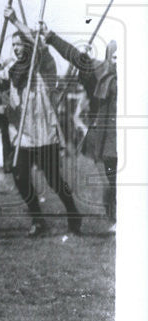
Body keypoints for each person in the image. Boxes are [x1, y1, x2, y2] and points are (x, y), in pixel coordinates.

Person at [0, 8, 82, 236]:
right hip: (21, 133)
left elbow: (39, 45)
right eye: (14, 45)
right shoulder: (11, 69)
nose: (17, 48)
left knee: (53, 180)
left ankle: (73, 214)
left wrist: (14, 20)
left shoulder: (44, 65)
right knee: (20, 176)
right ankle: (38, 220)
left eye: (21, 44)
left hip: (43, 131)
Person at [42, 23, 117, 232]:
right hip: (106, 139)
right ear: (108, 58)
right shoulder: (100, 73)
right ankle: (115, 218)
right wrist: (51, 36)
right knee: (111, 182)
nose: (118, 61)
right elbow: (75, 56)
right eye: (114, 57)